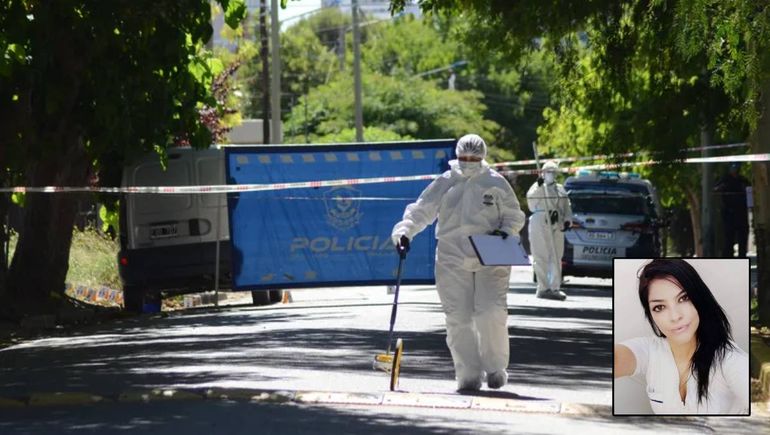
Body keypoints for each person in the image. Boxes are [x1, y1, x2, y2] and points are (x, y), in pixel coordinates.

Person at [391, 134, 526, 391]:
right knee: (458, 317)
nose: (468, 162)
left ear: (482, 157)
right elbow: (421, 210)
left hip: (491, 254)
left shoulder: (495, 183)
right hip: (451, 255)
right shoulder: (446, 182)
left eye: (474, 158)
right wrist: (404, 233)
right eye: (464, 157)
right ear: (457, 155)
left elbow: (514, 215)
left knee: (490, 311)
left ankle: (496, 367)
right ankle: (468, 374)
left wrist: (505, 232)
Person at [614, 259, 748, 414]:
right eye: (659, 307)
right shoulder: (650, 351)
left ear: (700, 299)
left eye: (684, 298)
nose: (675, 316)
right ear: (651, 315)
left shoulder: (730, 360)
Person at [526, 160, 573, 301]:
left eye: (553, 172)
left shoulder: (560, 189)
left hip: (556, 222)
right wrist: (539, 186)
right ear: (543, 173)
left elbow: (567, 207)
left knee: (556, 256)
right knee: (540, 256)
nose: (551, 174)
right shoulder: (537, 187)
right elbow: (531, 203)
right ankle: (543, 288)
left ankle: (555, 288)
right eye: (548, 172)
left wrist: (567, 220)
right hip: (540, 222)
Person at [714, 162, 750, 257]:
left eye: (736, 167)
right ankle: (728, 259)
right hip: (728, 213)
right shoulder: (725, 179)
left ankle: (742, 258)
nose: (735, 169)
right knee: (728, 240)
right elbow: (715, 189)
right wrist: (721, 188)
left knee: (742, 239)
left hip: (741, 213)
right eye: (733, 167)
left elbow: (750, 191)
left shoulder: (743, 180)